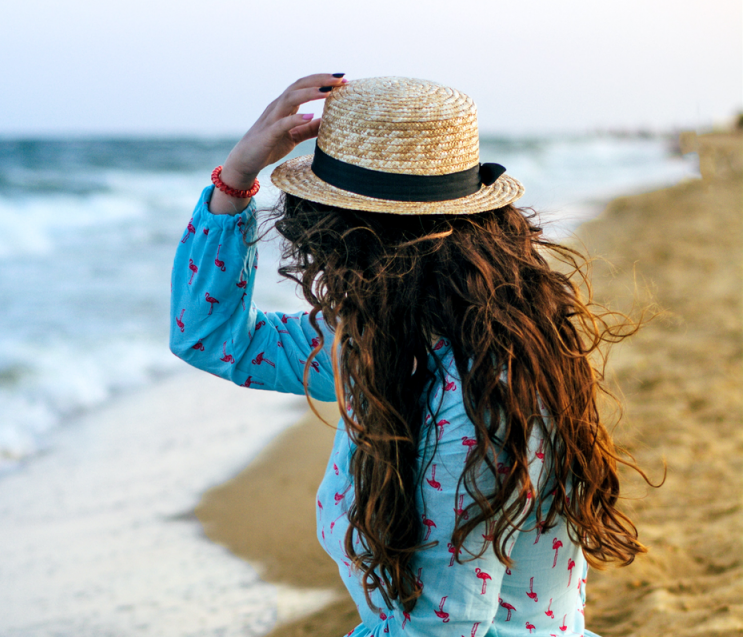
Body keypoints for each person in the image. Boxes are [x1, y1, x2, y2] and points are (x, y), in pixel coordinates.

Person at [170, 74, 647, 637]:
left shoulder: (481, 388)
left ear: (350, 234)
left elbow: (445, 628)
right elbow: (212, 338)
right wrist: (235, 179)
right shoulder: (385, 336)